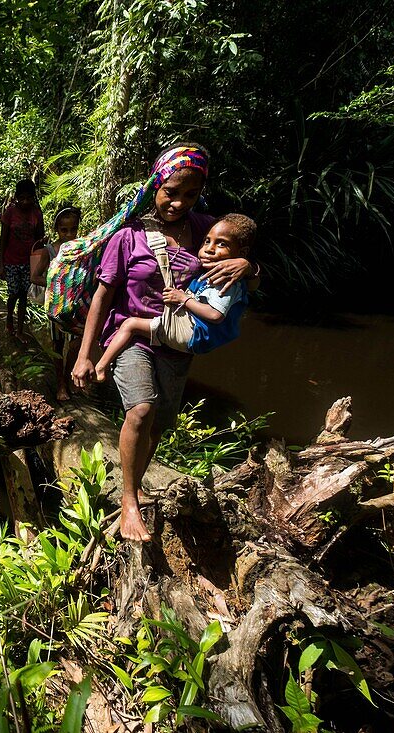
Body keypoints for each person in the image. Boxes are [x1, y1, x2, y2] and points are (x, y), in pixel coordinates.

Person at [71, 144, 258, 542]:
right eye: (171, 191)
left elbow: (245, 276)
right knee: (141, 409)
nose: (178, 202)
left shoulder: (208, 230)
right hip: (131, 334)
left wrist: (250, 266)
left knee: (158, 425)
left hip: (176, 343)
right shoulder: (129, 236)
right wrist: (86, 355)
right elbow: (102, 298)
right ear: (155, 184)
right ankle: (129, 502)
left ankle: (135, 484)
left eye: (189, 194)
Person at [93, 214, 256, 382]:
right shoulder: (214, 272)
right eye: (206, 241)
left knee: (130, 324)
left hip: (192, 333)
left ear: (241, 253)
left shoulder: (226, 281)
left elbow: (215, 315)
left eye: (222, 244)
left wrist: (183, 298)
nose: (209, 248)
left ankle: (101, 366)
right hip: (194, 333)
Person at [30, 205, 82, 401]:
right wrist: (58, 283)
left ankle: (70, 378)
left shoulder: (80, 248)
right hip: (55, 306)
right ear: (57, 230)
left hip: (76, 306)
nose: (69, 234)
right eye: (64, 230)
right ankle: (61, 384)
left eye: (73, 229)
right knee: (58, 344)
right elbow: (35, 277)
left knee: (76, 343)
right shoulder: (49, 251)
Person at [0, 179, 45, 341]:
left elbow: (40, 240)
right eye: (22, 198)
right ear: (17, 197)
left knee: (24, 296)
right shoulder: (10, 213)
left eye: (29, 198)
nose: (25, 202)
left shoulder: (36, 213)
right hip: (11, 261)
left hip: (28, 263)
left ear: (33, 197)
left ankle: (20, 330)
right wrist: (0, 263)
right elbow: (3, 240)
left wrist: (41, 265)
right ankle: (9, 317)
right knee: (13, 294)